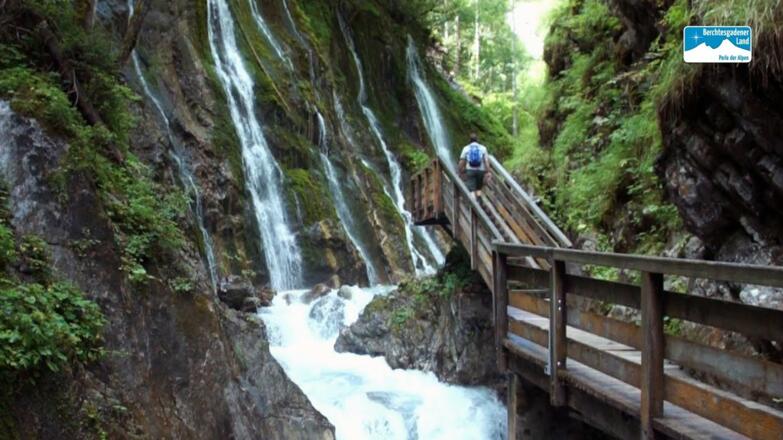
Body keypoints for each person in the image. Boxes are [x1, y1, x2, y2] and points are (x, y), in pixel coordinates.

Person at [458, 133, 491, 198]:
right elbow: (486, 161)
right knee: (479, 188)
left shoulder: (466, 148)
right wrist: (488, 171)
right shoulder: (483, 148)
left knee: (471, 189)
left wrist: (460, 170)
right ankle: (479, 200)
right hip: (481, 171)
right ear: (477, 140)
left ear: (470, 140)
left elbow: (462, 161)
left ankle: (473, 202)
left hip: (470, 170)